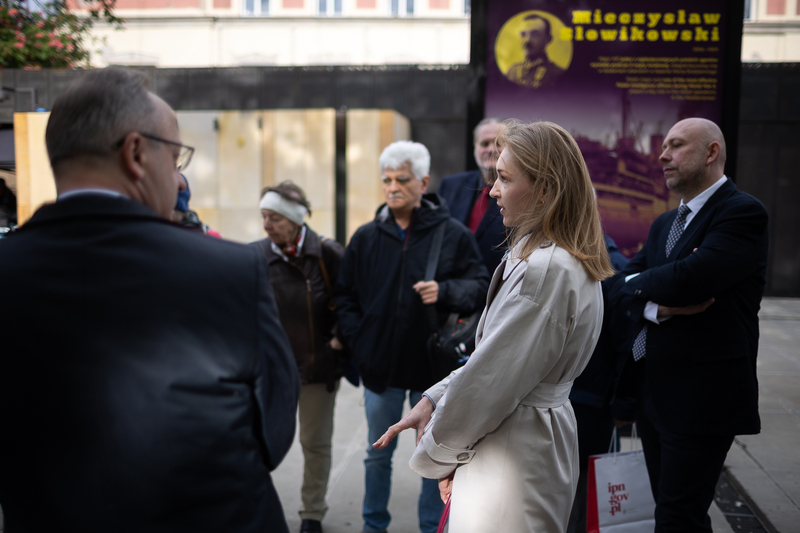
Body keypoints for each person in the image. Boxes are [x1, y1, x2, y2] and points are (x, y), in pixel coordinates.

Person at [0, 68, 299, 533]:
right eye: (176, 158)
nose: (179, 181)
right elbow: (273, 431)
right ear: (136, 153)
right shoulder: (231, 271)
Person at [374, 121, 613, 532]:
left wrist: (438, 455)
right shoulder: (550, 257)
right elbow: (496, 361)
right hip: (519, 442)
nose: (492, 191)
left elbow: (490, 382)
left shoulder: (546, 269)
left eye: (504, 178)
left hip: (511, 453)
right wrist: (432, 399)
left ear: (545, 188)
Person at [609, 118, 769, 532]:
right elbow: (618, 287)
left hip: (703, 398)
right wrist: (658, 307)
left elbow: (690, 280)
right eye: (664, 146)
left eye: (676, 146)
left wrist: (651, 282)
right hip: (653, 393)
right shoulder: (664, 223)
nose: (662, 156)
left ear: (711, 152)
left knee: (678, 516)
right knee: (672, 511)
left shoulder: (742, 212)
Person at [334, 140, 490, 533]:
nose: (392, 187)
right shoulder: (366, 237)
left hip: (431, 371)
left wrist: (445, 290)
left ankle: (429, 527)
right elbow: (345, 296)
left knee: (430, 457)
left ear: (423, 183)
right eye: (386, 180)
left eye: (402, 180)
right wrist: (360, 342)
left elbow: (480, 286)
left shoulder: (452, 234)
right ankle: (373, 526)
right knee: (377, 455)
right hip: (380, 368)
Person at [251, 181, 345, 533]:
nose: (267, 225)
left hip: (317, 367)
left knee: (315, 444)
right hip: (271, 370)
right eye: (263, 216)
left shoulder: (326, 253)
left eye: (274, 218)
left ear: (294, 219)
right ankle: (256, 507)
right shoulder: (256, 255)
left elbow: (351, 301)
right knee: (259, 440)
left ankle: (312, 513)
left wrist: (337, 342)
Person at [567, 234, 631, 533]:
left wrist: (622, 403)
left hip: (591, 402)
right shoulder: (561, 257)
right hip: (582, 399)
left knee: (583, 499)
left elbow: (625, 346)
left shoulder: (613, 267)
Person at [437, 118, 506, 274]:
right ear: (475, 148)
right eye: (484, 143)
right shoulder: (450, 186)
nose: (491, 149)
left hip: (497, 282)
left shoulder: (522, 192)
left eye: (498, 143)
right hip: (452, 284)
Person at [505, 14, 566, 89]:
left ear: (548, 39)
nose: (527, 40)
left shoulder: (556, 73)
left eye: (534, 34)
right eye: (523, 35)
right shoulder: (512, 71)